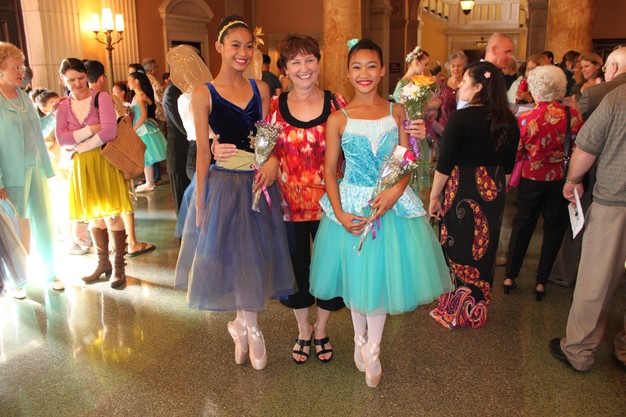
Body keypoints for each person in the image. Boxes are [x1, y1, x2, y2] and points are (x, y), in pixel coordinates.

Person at [309, 39, 452, 388]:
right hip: (352, 206)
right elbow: (329, 170)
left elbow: (407, 158)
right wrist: (339, 213)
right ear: (348, 72)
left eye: (371, 66)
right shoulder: (337, 118)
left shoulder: (398, 111)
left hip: (391, 206)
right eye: (357, 67)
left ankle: (374, 347)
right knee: (358, 278)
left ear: (383, 70)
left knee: (381, 280)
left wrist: (395, 192)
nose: (364, 74)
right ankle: (359, 339)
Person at [174, 15, 295, 371]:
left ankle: (242, 324)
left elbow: (268, 139)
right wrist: (201, 201)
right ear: (219, 47)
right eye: (235, 45)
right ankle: (252, 329)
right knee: (234, 259)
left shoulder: (261, 89)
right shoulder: (204, 94)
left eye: (248, 46)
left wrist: (272, 161)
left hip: (258, 183)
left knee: (253, 259)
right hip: (225, 186)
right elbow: (202, 152)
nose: (242, 52)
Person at [270, 35, 348, 364]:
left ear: (318, 62)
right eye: (295, 61)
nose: (304, 67)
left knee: (331, 269)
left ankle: (322, 328)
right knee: (296, 269)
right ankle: (304, 328)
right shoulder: (274, 107)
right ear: (285, 69)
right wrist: (269, 159)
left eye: (310, 59)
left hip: (331, 206)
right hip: (288, 206)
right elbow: (263, 147)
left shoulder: (337, 103)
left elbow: (355, 145)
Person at [429, 61, 519, 329]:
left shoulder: (460, 118)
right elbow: (508, 168)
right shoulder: (508, 120)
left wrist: (434, 196)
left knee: (456, 245)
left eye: (465, 81)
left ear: (479, 87)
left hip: (462, 186)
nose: (459, 86)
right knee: (484, 248)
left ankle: (454, 307)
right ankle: (476, 309)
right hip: (492, 189)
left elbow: (444, 164)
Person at [549, 83, 626, 372]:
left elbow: (586, 147)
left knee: (597, 280)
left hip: (616, 201)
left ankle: (579, 351)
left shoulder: (618, 97)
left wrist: (572, 181)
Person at [503, 65, 583, 301]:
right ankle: (541, 281)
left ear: (534, 88)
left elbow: (517, 153)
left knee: (523, 223)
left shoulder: (525, 118)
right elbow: (579, 147)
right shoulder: (573, 115)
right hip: (561, 178)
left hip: (531, 177)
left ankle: (510, 276)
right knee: (554, 228)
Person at [549, 46, 626, 288]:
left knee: (584, 227)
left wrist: (572, 180)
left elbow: (584, 140)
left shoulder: (601, 93)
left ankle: (565, 274)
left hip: (599, 175)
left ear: (613, 67)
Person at [55, 57, 132, 288]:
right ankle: (103, 263)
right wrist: (90, 129)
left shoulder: (102, 97)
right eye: (71, 80)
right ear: (63, 80)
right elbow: (62, 139)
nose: (77, 83)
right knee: (94, 216)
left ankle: (119, 267)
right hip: (82, 166)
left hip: (104, 160)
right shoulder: (62, 106)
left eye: (81, 78)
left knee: (112, 214)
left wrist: (79, 144)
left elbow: (108, 132)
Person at [0, 41, 62, 297]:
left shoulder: (25, 97)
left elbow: (38, 131)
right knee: (16, 228)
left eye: (21, 66)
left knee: (44, 223)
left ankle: (50, 273)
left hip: (36, 167)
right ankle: (18, 280)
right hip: (11, 175)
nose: (21, 72)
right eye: (15, 67)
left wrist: (54, 115)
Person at [85, 60, 155, 257]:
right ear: (101, 78)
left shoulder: (78, 102)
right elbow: (119, 125)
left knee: (99, 203)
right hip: (113, 155)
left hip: (90, 158)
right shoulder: (108, 98)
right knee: (123, 199)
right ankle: (131, 242)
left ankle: (107, 246)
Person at [127, 70, 168, 193]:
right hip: (139, 127)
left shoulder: (140, 95)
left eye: (129, 80)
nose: (128, 83)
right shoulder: (137, 95)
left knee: (146, 155)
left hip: (142, 128)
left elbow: (143, 115)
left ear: (136, 81)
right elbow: (149, 103)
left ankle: (149, 182)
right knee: (145, 156)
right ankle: (149, 181)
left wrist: (134, 129)